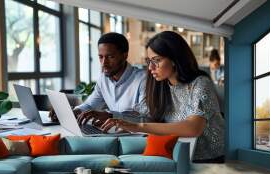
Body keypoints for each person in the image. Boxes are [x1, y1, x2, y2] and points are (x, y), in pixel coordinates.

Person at [101, 31, 225, 163]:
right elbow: (146, 116)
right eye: (149, 61)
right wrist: (112, 116)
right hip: (177, 156)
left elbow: (193, 128)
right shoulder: (160, 86)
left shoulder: (200, 83)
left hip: (210, 160)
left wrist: (137, 126)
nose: (150, 67)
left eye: (157, 60)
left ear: (174, 59)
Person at [50, 32, 147, 126]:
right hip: (114, 134)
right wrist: (72, 112)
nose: (104, 63)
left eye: (110, 57)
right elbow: (90, 105)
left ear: (125, 55)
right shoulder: (103, 79)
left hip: (136, 138)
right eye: (101, 57)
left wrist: (111, 115)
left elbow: (147, 118)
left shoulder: (143, 79)